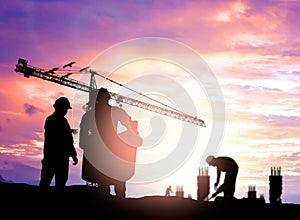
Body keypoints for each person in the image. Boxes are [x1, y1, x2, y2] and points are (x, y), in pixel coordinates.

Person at [79, 88, 142, 198]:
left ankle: (110, 204)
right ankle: (118, 204)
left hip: (99, 153)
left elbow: (83, 139)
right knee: (117, 181)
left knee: (105, 183)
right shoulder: (117, 112)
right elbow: (130, 126)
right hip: (113, 151)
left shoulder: (89, 116)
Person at [39, 97, 78, 189]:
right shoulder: (58, 121)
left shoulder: (53, 120)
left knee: (49, 183)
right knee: (53, 183)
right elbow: (66, 140)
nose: (66, 111)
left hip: (53, 158)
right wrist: (73, 155)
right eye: (65, 109)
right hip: (57, 158)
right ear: (60, 108)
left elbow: (65, 139)